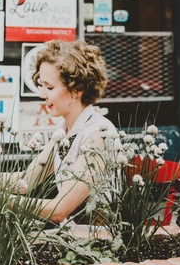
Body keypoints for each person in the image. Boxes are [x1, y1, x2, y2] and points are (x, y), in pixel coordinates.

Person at [17, 39, 124, 223]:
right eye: (41, 85)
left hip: (99, 243)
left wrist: (2, 202)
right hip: (74, 238)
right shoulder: (65, 130)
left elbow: (59, 210)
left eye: (49, 87)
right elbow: (26, 181)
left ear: (77, 90)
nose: (42, 94)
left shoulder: (98, 134)